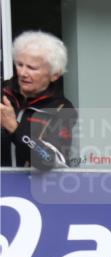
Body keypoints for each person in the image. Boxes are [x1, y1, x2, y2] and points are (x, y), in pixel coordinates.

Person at [1, 31, 76, 169]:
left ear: (54, 74)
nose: (23, 73)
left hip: (29, 190)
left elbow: (49, 160)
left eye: (32, 68)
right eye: (20, 65)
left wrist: (14, 128)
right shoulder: (3, 96)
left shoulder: (61, 109)